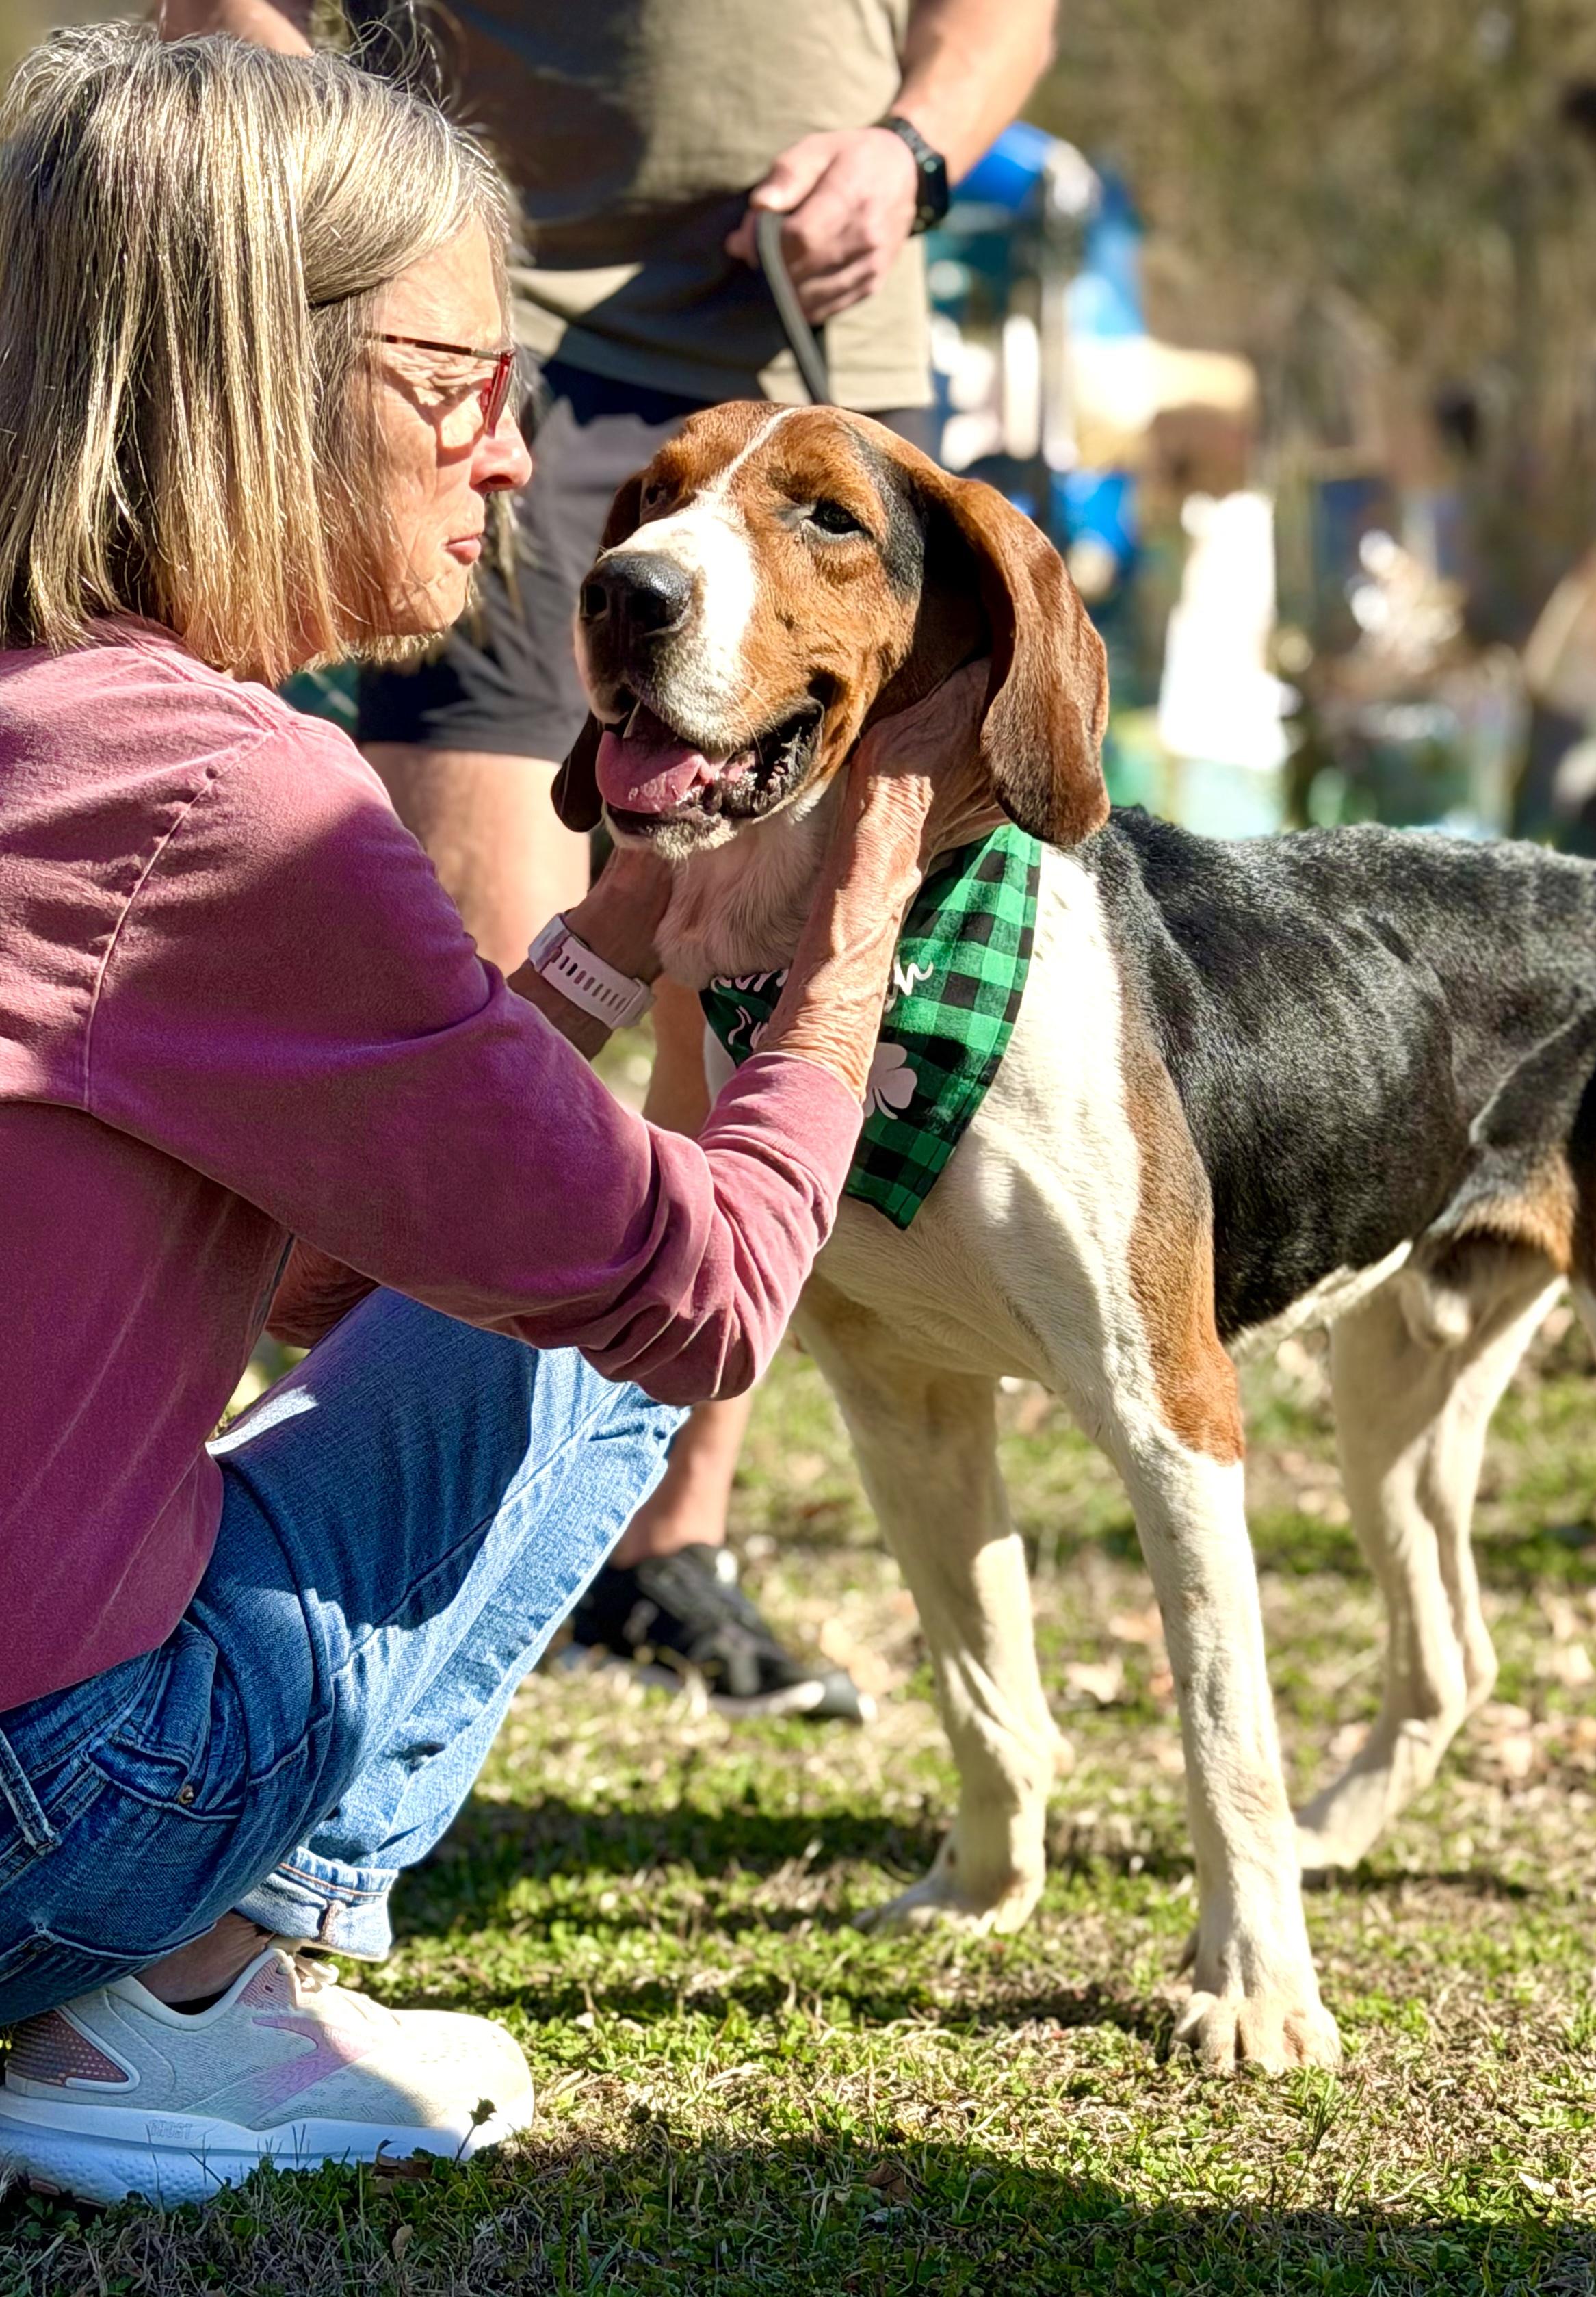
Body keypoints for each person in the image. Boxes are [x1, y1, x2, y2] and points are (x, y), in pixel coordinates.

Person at [0, 25, 991, 2206]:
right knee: (609, 1317)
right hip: (39, 1817)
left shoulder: (55, 723)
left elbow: (316, 1267)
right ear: (264, 377)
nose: (513, 460)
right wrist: (837, 944)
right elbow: (702, 1296)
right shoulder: (227, 795)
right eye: (465, 379)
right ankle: (198, 1980)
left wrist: (617, 928)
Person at [157, 0, 1058, 1719]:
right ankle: (367, 1579)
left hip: (831, 323)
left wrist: (913, 148)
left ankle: (661, 1547)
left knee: (719, 976)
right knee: (506, 1016)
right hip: (492, 303)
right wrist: (372, 192)